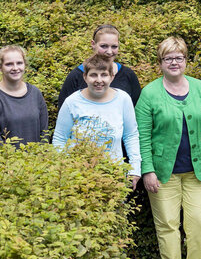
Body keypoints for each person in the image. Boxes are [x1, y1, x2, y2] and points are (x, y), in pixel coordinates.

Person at [135, 37, 201, 259]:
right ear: (160, 63)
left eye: (179, 57)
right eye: (168, 58)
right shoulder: (149, 93)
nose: (174, 62)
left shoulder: (200, 89)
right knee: (167, 223)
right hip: (164, 173)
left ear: (186, 60)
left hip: (197, 171)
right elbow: (141, 136)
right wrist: (147, 170)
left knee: (199, 220)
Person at [53, 53, 141, 188]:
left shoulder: (123, 99)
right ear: (85, 77)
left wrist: (135, 168)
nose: (99, 80)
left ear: (112, 77)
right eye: (93, 75)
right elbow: (60, 138)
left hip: (113, 175)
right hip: (76, 176)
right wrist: (63, 170)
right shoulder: (72, 102)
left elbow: (131, 135)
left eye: (104, 75)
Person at [57, 24, 142, 111]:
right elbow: (64, 110)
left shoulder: (128, 75)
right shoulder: (76, 76)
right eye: (104, 46)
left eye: (114, 46)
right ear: (93, 44)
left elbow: (136, 110)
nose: (109, 52)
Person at [0, 45, 49, 146]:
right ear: (0, 67)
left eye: (19, 63)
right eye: (9, 64)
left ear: (25, 64)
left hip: (37, 159)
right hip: (6, 160)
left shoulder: (35, 93)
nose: (15, 68)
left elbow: (44, 134)